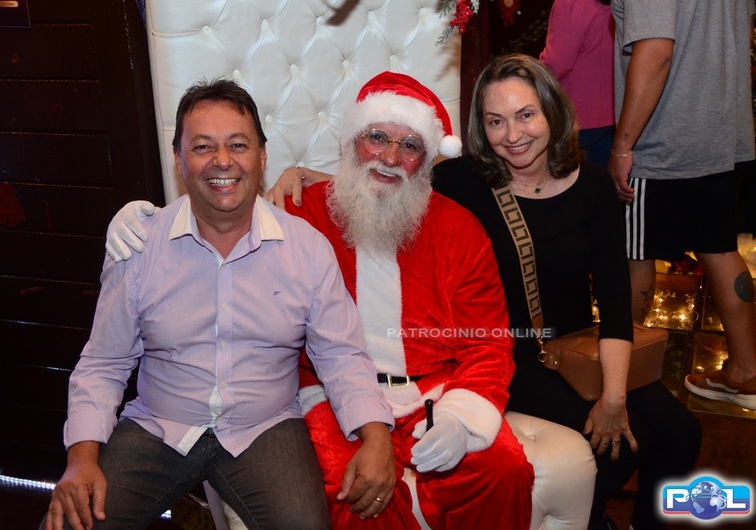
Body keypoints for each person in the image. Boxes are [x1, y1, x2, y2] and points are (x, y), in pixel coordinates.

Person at [248, 56, 702, 530]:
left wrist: (612, 395)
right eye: (495, 121)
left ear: (552, 111)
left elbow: (613, 298)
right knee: (623, 442)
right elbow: (379, 184)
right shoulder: (466, 180)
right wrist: (299, 174)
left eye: (526, 114)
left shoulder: (588, 186)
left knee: (678, 432)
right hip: (517, 353)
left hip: (570, 346)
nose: (513, 134)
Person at [106, 71, 535, 530]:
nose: (391, 157)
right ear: (352, 142)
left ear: (426, 160)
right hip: (331, 392)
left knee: (505, 471)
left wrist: (461, 418)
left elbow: (488, 342)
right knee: (355, 492)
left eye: (410, 146)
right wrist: (140, 219)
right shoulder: (301, 210)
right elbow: (223, 207)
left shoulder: (460, 229)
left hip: (434, 391)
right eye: (376, 138)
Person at [42, 79, 396, 530]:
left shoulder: (306, 249)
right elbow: (104, 362)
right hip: (160, 424)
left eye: (238, 145)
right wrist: (81, 458)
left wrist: (376, 437)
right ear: (179, 159)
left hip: (264, 427)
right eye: (203, 146)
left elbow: (341, 354)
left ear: (262, 157)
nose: (222, 160)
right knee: (70, 525)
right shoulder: (140, 245)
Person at [609, 0, 756, 410]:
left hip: (663, 138)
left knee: (635, 254)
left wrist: (623, 146)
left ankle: (620, 378)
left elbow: (656, 51)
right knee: (720, 248)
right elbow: (744, 33)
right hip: (720, 133)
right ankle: (745, 373)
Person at [540, 0, 615, 167]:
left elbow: (556, 65)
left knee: (568, 181)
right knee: (601, 181)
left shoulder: (570, 3)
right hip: (612, 117)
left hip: (575, 118)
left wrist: (528, 79)